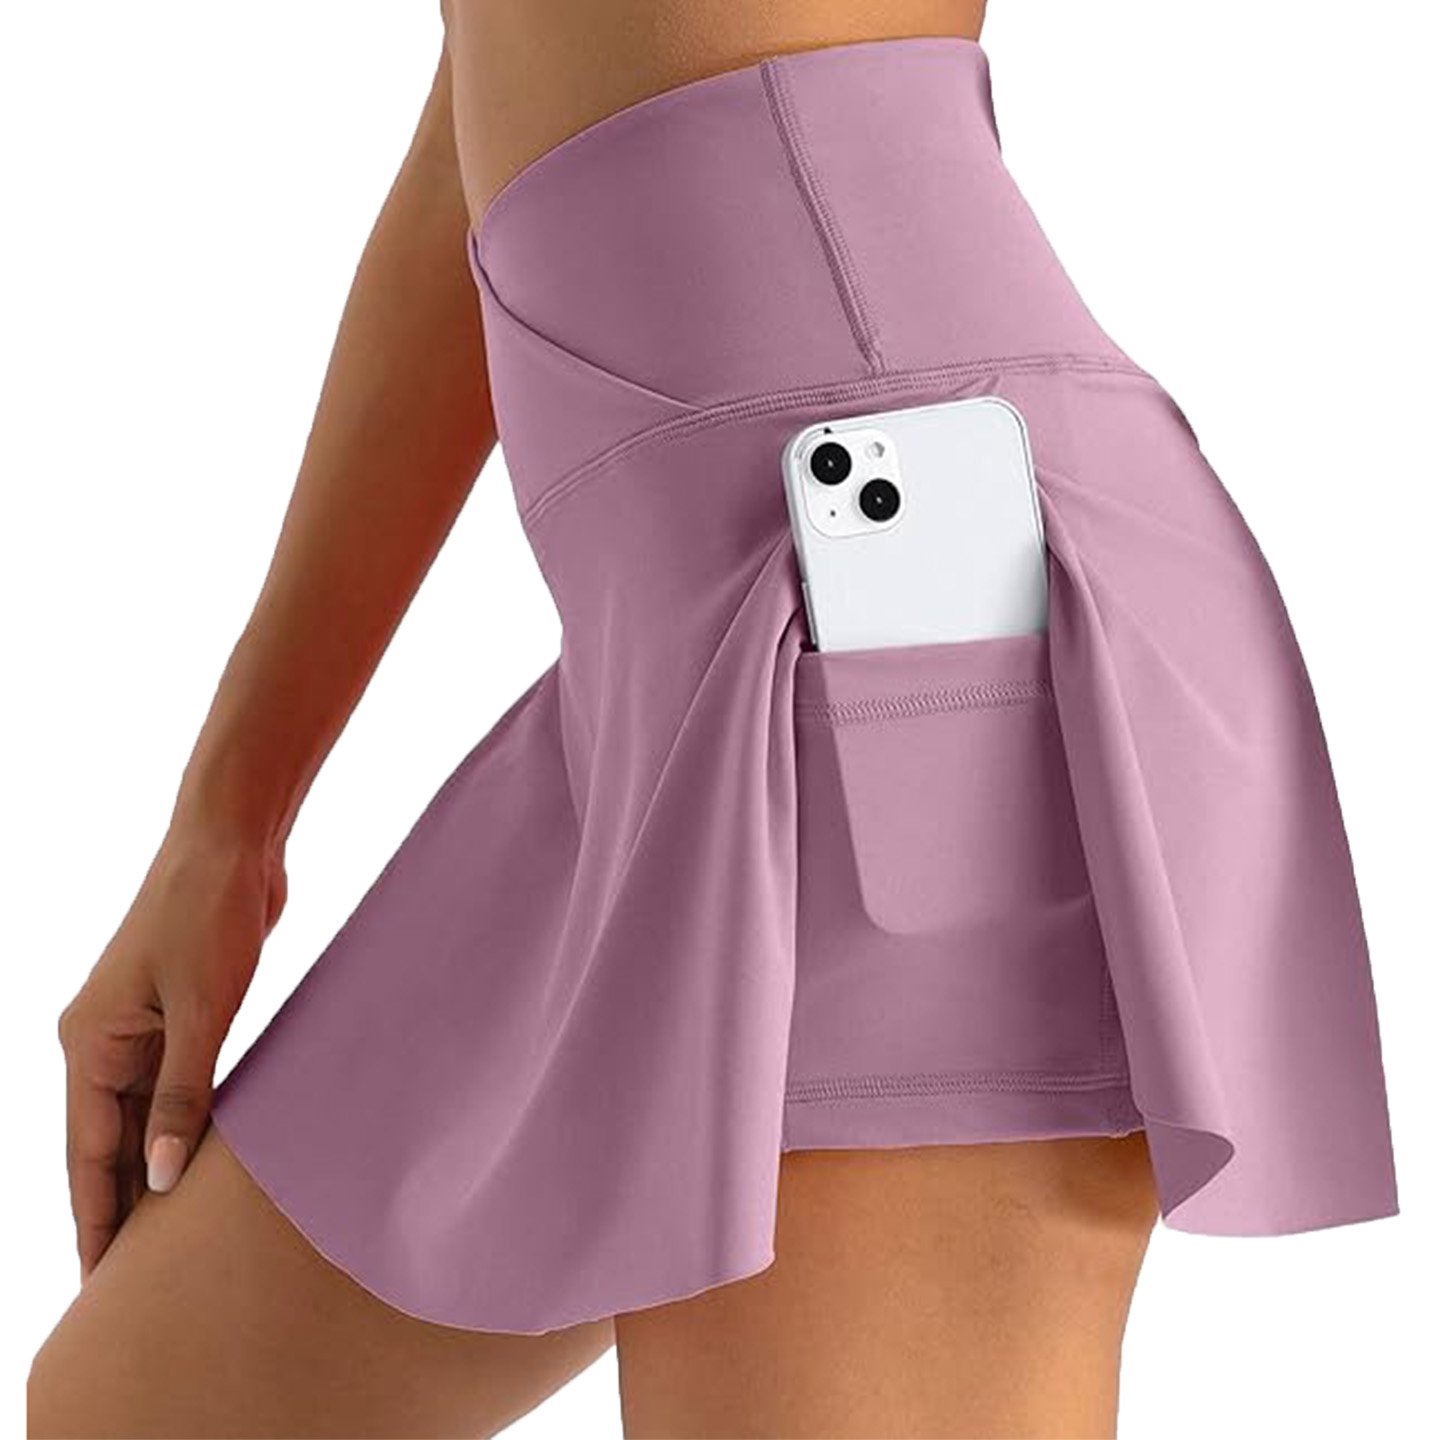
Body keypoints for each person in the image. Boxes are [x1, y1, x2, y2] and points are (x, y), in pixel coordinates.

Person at [27, 3, 1397, 1437]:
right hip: (670, 667)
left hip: (892, 601)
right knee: (139, 1411)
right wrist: (231, 820)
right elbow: (479, 118)